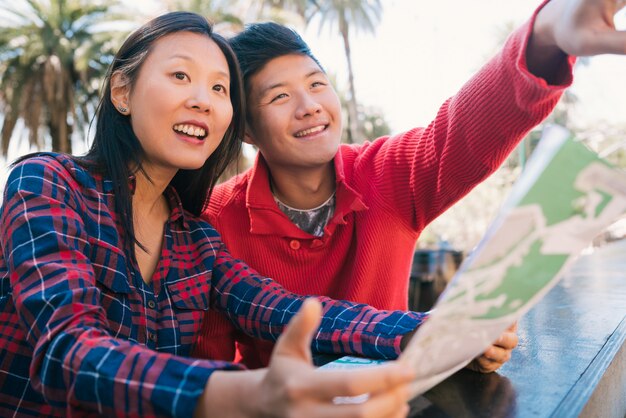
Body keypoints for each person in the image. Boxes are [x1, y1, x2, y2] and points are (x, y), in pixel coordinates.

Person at [0, 11, 435, 418]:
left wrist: (424, 330)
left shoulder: (197, 240)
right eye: (180, 76)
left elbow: (278, 309)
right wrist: (245, 393)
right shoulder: (48, 183)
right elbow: (66, 350)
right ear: (122, 92)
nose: (202, 101)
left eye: (219, 88)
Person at [198, 0, 626, 369]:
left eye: (316, 84)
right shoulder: (213, 218)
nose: (309, 107)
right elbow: (211, 367)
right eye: (279, 96)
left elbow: (462, 131)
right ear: (247, 131)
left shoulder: (386, 175)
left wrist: (547, 33)